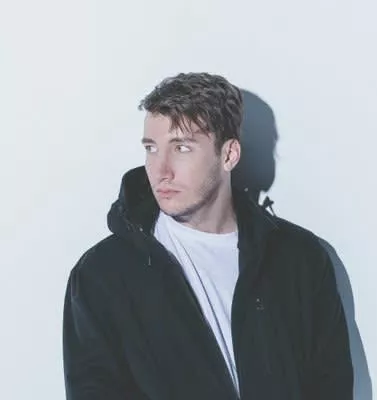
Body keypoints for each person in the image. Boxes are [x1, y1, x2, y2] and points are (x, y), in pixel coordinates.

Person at [63, 72, 354, 400]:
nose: (161, 170)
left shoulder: (299, 258)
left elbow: (331, 385)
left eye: (181, 147)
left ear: (228, 155)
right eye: (151, 149)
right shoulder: (102, 274)